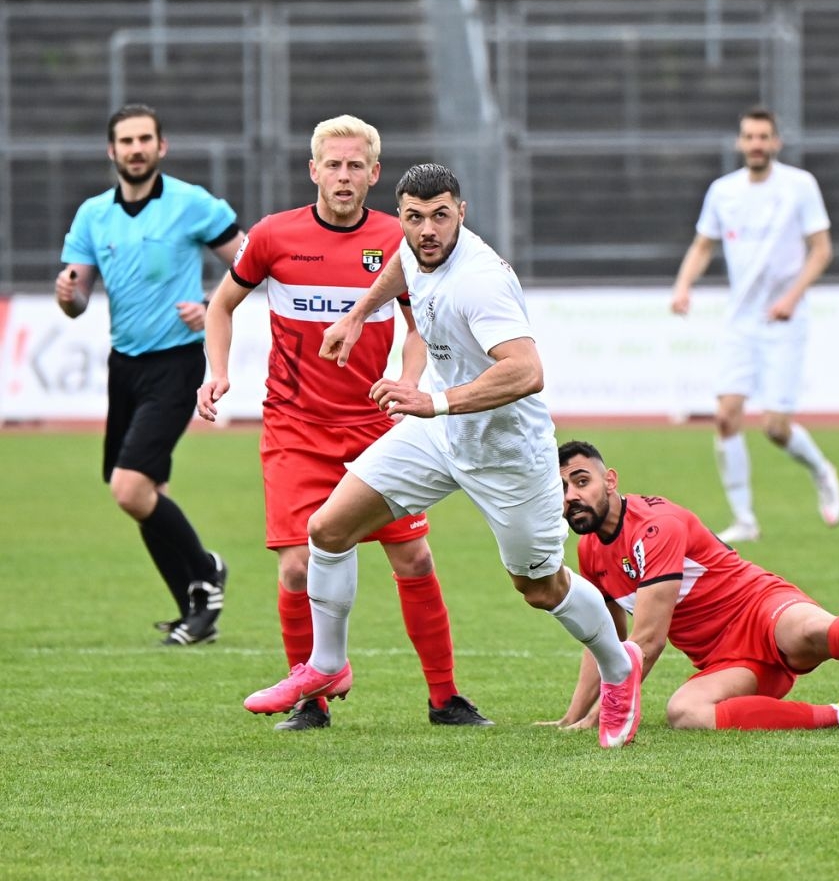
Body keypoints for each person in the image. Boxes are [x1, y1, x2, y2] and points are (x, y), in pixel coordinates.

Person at [241, 163, 643, 749]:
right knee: (327, 529)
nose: (427, 229)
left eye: (440, 216)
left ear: (462, 213)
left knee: (539, 587)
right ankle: (326, 664)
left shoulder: (478, 281)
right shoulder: (412, 248)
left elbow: (527, 372)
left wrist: (436, 401)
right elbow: (402, 266)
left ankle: (619, 667)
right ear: (400, 216)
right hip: (439, 434)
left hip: (505, 452)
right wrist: (355, 317)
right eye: (414, 217)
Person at [198, 117, 490, 731]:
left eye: (356, 165)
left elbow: (420, 328)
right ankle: (312, 700)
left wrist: (410, 382)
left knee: (413, 559)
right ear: (313, 170)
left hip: (375, 428)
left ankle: (445, 698)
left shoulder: (399, 238)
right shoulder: (276, 236)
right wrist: (216, 371)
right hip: (295, 428)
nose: (343, 175)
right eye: (333, 164)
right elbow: (222, 304)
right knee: (297, 567)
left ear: (374, 174)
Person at [542, 439, 839, 733]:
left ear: (610, 480)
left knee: (812, 632)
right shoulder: (590, 550)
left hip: (761, 608)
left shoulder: (654, 527)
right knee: (686, 713)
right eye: (561, 489)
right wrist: (573, 715)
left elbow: (646, 641)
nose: (572, 496)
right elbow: (606, 641)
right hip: (729, 662)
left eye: (581, 481)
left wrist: (609, 713)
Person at [57, 103, 246, 646]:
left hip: (177, 363)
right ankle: (193, 607)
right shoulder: (93, 214)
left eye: (145, 139)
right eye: (126, 141)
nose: (136, 149)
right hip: (126, 366)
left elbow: (250, 262)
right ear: (111, 151)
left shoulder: (191, 204)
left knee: (130, 488)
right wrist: (67, 294)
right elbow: (77, 298)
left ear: (161, 147)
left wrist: (212, 303)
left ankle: (207, 576)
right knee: (145, 491)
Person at [670, 107, 839, 544]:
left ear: (776, 142)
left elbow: (821, 250)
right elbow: (702, 245)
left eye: (764, 137)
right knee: (726, 417)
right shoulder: (723, 192)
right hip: (740, 321)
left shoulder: (800, 186)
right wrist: (683, 286)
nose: (756, 144)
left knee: (775, 427)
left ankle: (822, 470)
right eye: (749, 137)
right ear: (740, 143)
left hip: (785, 320)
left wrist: (791, 296)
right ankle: (745, 518)